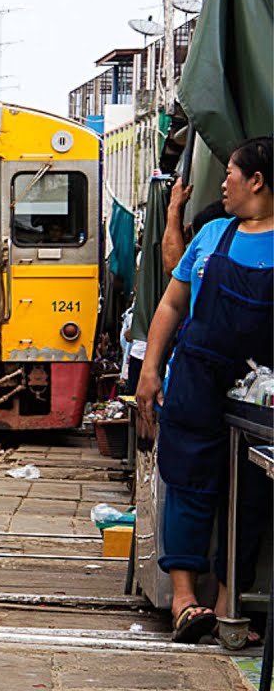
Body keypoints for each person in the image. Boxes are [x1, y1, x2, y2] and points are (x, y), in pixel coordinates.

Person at [135, 137, 273, 646]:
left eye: (231, 173)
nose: (223, 182)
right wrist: (151, 370)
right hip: (194, 379)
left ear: (256, 181)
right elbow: (171, 306)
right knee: (188, 484)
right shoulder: (213, 234)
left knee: (251, 494)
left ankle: (227, 602)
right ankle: (184, 600)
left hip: (259, 390)